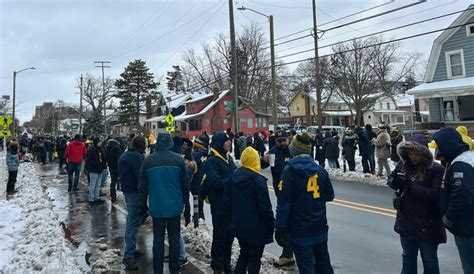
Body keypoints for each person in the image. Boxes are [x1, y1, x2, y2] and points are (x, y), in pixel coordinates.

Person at [276, 132, 335, 274]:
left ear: (294, 150)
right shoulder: (320, 171)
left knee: (307, 267)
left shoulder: (289, 172)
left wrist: (280, 227)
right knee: (324, 264)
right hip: (319, 226)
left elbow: (284, 204)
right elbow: (329, 195)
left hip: (299, 230)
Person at [387, 134, 446, 274]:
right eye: (410, 153)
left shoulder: (435, 170)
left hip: (428, 224)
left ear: (424, 153)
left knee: (430, 261)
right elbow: (392, 181)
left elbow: (435, 195)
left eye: (417, 153)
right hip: (406, 222)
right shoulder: (403, 165)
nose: (413, 157)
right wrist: (394, 181)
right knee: (408, 258)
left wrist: (411, 187)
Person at [138, 133, 189, 274]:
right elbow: (185, 184)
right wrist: (187, 205)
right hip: (175, 206)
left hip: (157, 206)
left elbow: (142, 187)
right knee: (174, 240)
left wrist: (142, 206)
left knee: (158, 240)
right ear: (170, 143)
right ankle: (174, 270)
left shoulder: (148, 161)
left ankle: (158, 270)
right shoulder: (178, 160)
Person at [225, 147, 274, 274]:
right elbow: (265, 208)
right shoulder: (258, 181)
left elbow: (227, 202)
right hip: (257, 228)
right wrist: (271, 225)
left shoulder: (233, 177)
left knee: (244, 254)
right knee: (254, 259)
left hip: (239, 226)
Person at [432, 128, 474, 274]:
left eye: (439, 146)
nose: (438, 151)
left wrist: (448, 218)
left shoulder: (461, 164)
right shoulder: (467, 158)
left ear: (447, 145)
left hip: (467, 227)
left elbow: (462, 196)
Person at [261, 130, 295, 267]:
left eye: (284, 140)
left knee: (292, 222)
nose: (282, 143)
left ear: (288, 139)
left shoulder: (292, 150)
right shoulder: (273, 151)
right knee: (285, 223)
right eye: (279, 141)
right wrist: (263, 160)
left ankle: (290, 253)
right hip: (280, 191)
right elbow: (262, 165)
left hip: (294, 191)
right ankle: (288, 254)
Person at [205, 132, 236, 273]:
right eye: (226, 141)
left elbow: (234, 173)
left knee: (229, 236)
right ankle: (217, 264)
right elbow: (214, 182)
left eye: (229, 141)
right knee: (220, 236)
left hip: (230, 204)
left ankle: (226, 262)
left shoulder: (227, 158)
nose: (229, 143)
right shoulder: (212, 160)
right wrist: (232, 181)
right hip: (219, 205)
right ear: (219, 143)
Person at [119, 136, 146, 271]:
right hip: (135, 192)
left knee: (133, 221)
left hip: (127, 190)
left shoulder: (126, 155)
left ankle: (131, 248)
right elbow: (140, 176)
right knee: (133, 221)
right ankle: (128, 255)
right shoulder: (136, 157)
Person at [191, 137, 208, 220]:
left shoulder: (195, 156)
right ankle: (199, 217)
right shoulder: (205, 153)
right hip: (203, 182)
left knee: (197, 203)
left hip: (196, 181)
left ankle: (198, 219)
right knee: (200, 203)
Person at [86, 138, 106, 204]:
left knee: (98, 185)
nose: (100, 143)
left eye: (100, 142)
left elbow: (103, 158)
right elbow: (89, 160)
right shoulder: (92, 150)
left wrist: (102, 165)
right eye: (99, 142)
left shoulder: (100, 149)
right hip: (93, 170)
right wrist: (97, 165)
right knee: (93, 185)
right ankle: (91, 199)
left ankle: (96, 197)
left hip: (99, 169)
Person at [106, 138, 123, 203]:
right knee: (122, 180)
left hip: (111, 167)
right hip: (117, 166)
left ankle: (113, 196)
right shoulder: (117, 148)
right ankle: (122, 192)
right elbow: (119, 158)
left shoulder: (108, 148)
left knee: (113, 182)